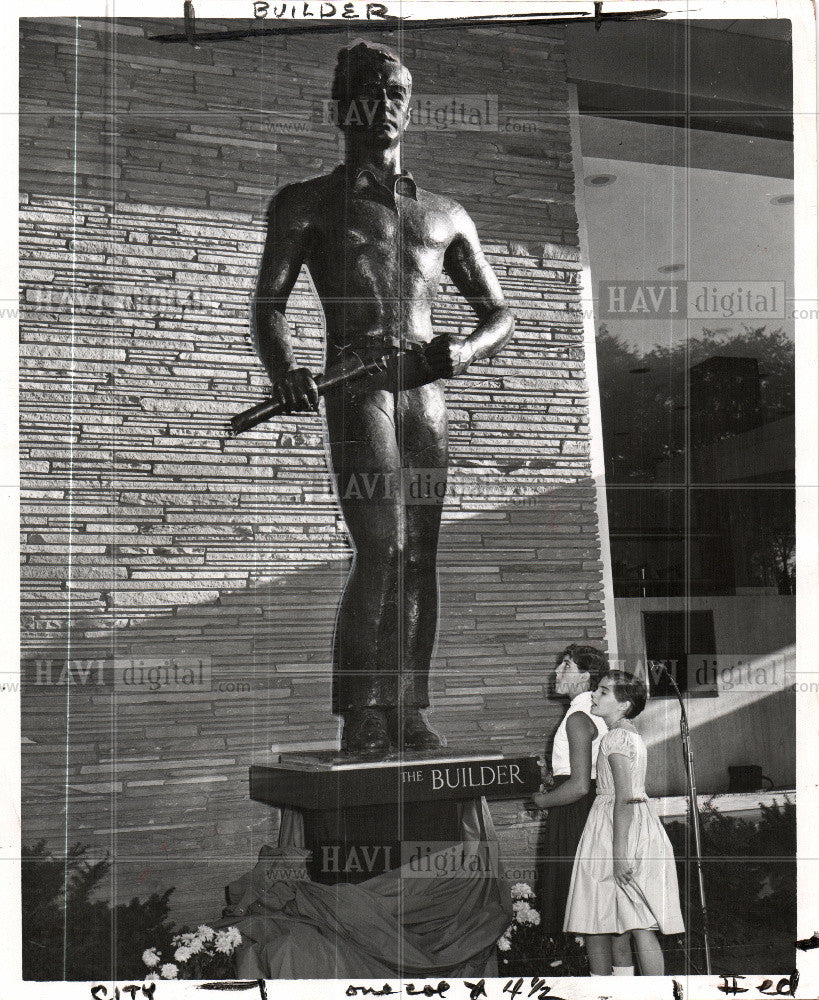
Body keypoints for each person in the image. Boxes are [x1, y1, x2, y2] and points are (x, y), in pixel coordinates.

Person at [252, 40, 514, 755]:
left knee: (421, 553)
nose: (384, 106)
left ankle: (409, 706)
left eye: (396, 93)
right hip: (357, 390)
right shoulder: (306, 202)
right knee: (382, 545)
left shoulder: (446, 213)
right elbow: (269, 306)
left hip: (423, 396)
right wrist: (286, 370)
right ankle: (364, 708)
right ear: (342, 107)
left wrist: (462, 350)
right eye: (369, 92)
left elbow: (500, 314)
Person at [563, 670, 685, 976]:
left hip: (616, 827)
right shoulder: (631, 735)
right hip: (640, 824)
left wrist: (619, 853)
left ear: (624, 705)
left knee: (619, 921)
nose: (593, 694)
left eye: (604, 692)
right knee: (636, 921)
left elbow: (623, 797)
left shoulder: (614, 738)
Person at [531, 645, 609, 937]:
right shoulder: (594, 712)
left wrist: (542, 800)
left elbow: (578, 786)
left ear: (585, 676)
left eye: (566, 666)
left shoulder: (579, 717)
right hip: (586, 809)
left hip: (575, 813)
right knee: (592, 910)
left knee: (581, 904)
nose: (556, 672)